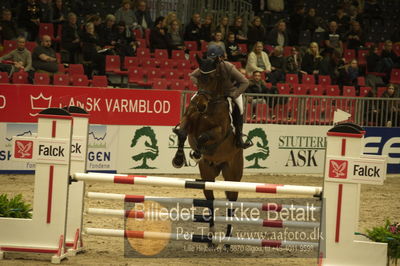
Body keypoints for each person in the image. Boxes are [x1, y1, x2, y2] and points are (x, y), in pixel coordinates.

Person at [189, 44, 251, 149]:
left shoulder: (228, 67)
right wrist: (202, 87)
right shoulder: (207, 66)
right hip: (209, 93)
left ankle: (239, 137)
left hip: (229, 93)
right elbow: (192, 76)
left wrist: (234, 94)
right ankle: (185, 124)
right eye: (210, 58)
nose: (212, 61)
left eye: (214, 59)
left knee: (239, 109)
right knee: (193, 100)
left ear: (221, 58)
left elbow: (245, 82)